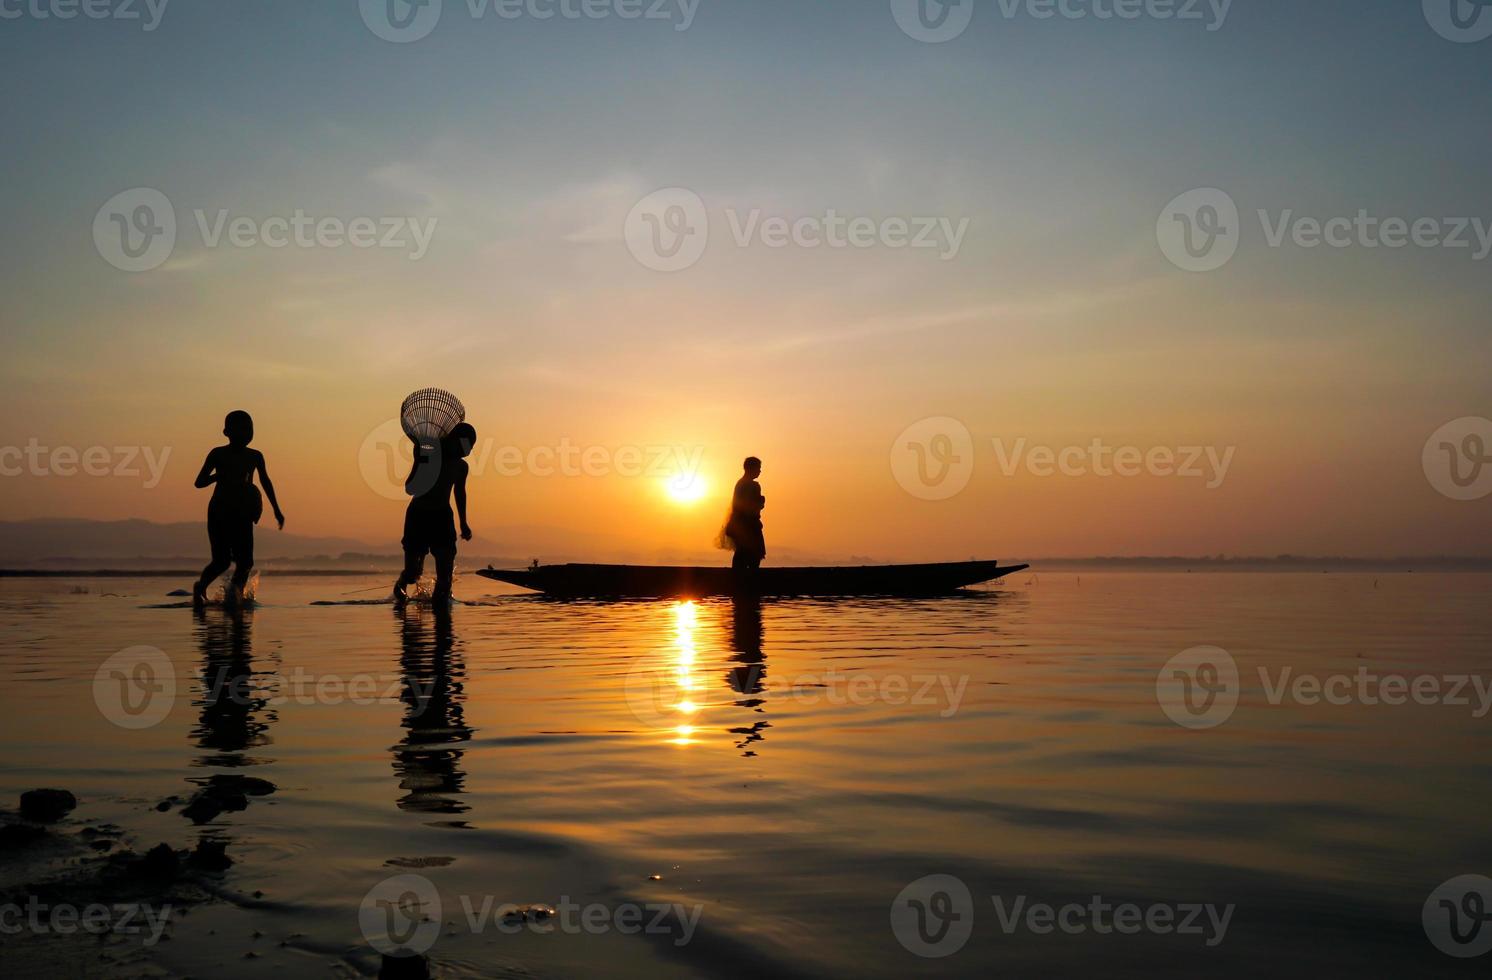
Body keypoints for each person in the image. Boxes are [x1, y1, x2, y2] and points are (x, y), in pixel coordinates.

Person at [192, 411, 284, 609]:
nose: (245, 433)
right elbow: (199, 483)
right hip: (219, 511)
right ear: (226, 432)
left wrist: (276, 509)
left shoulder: (255, 456)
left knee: (246, 562)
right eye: (240, 429)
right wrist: (218, 476)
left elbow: (265, 482)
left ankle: (235, 597)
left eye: (249, 429)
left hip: (243, 512)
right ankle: (200, 587)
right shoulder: (218, 454)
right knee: (222, 561)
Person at [394, 423, 475, 605]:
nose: (468, 450)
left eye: (471, 446)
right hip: (419, 515)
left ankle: (442, 614)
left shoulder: (461, 467)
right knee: (413, 573)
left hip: (443, 517)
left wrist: (464, 522)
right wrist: (419, 461)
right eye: (466, 444)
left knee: (445, 577)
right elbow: (410, 488)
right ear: (454, 441)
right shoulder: (430, 456)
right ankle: (400, 584)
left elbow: (459, 493)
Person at [721, 456, 766, 570]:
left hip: (739, 525)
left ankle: (737, 581)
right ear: (751, 468)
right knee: (753, 556)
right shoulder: (753, 485)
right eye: (758, 468)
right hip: (750, 526)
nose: (760, 471)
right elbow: (753, 506)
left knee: (741, 554)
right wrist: (761, 501)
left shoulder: (739, 484)